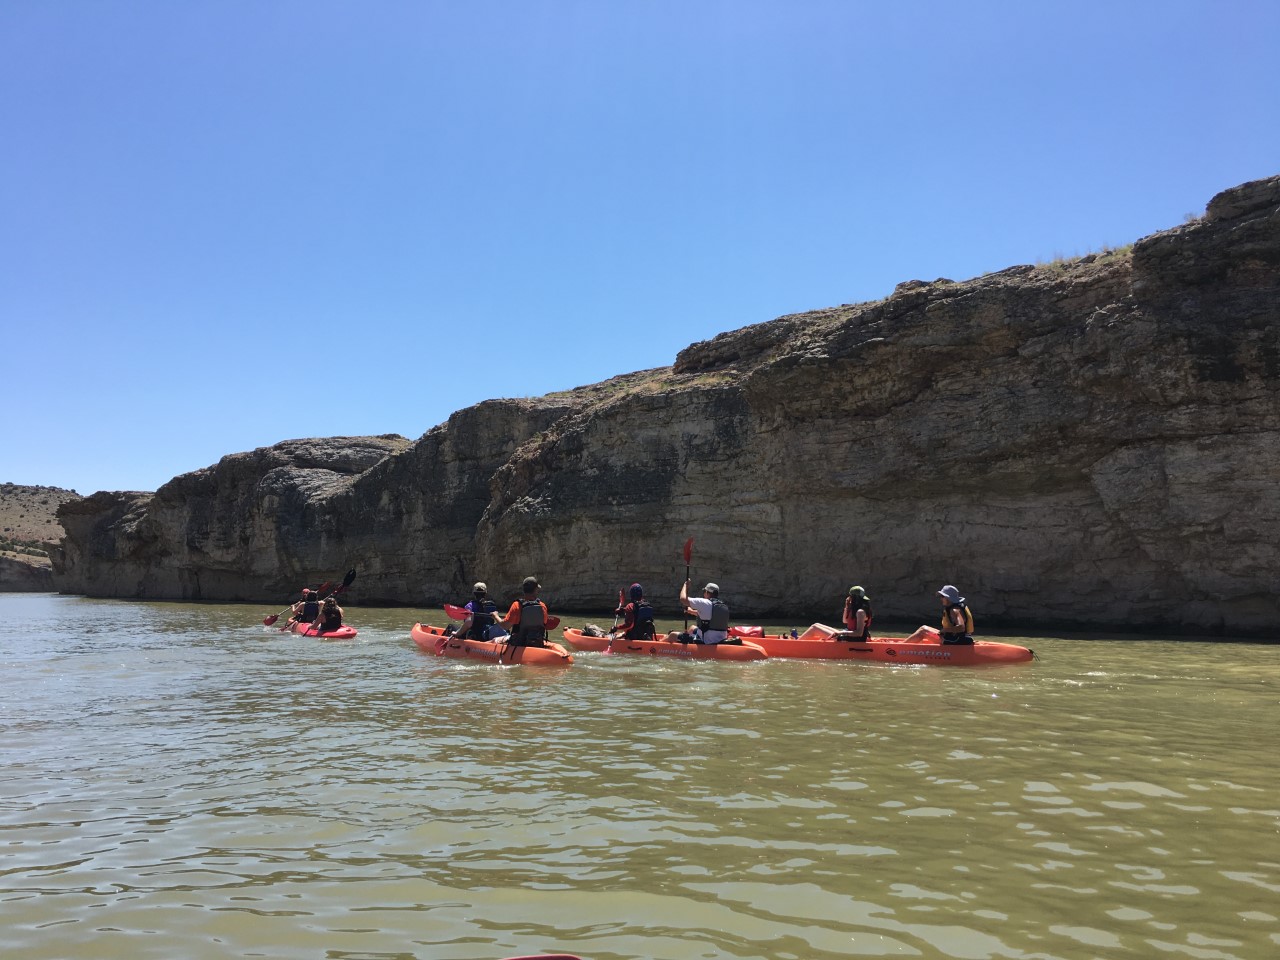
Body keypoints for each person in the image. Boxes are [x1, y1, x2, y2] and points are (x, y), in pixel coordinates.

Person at [669, 580, 730, 644]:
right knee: (692, 628)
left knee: (672, 635)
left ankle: (660, 644)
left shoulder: (705, 602)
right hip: (720, 638)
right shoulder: (722, 606)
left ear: (707, 592)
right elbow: (709, 616)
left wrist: (685, 586)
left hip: (707, 641)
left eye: (704, 591)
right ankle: (683, 643)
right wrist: (691, 611)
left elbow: (683, 599)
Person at [499, 576, 551, 647]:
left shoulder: (517, 606)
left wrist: (495, 616)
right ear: (536, 589)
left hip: (519, 644)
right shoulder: (542, 606)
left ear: (524, 590)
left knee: (494, 640)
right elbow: (544, 623)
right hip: (537, 643)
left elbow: (505, 626)